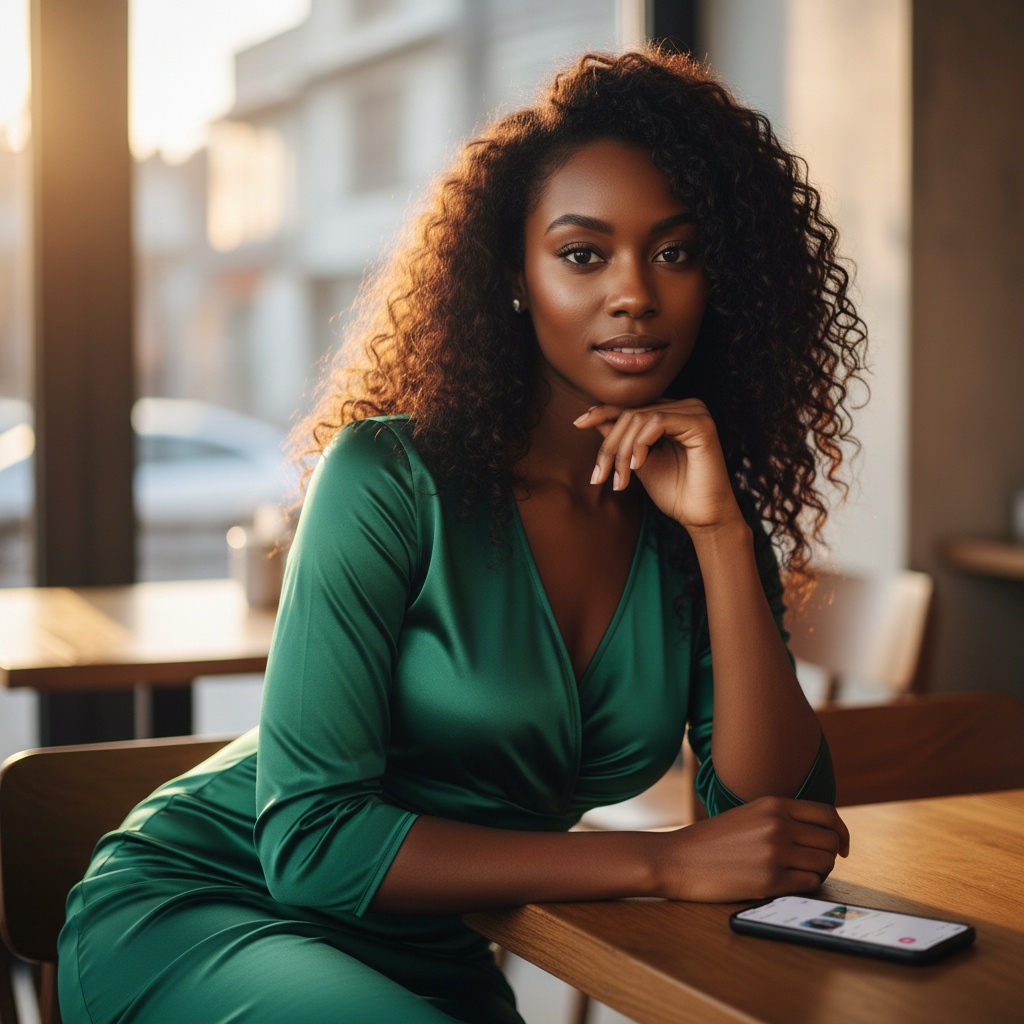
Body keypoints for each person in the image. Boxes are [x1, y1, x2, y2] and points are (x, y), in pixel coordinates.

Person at [58, 47, 864, 1024]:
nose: (633, 294)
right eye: (581, 253)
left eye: (676, 251)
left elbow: (773, 823)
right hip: (211, 910)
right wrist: (657, 857)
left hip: (433, 952)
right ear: (514, 275)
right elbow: (312, 845)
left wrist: (723, 534)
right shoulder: (387, 478)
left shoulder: (686, 524)